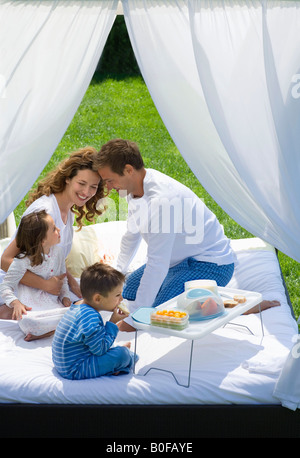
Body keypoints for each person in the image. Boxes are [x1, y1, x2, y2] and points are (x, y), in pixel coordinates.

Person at [94, 138, 280, 331]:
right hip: (176, 263)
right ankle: (196, 295)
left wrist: (136, 319)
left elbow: (157, 263)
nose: (108, 187)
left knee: (159, 312)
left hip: (210, 265)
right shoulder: (134, 188)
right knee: (128, 289)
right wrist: (118, 273)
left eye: (109, 180)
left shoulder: (163, 201)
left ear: (128, 170)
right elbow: (132, 234)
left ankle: (239, 306)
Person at [0, 146, 106, 320]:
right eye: (81, 183)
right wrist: (46, 285)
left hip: (45, 285)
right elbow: (5, 260)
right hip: (17, 284)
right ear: (67, 179)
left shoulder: (68, 210)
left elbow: (55, 261)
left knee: (92, 302)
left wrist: (74, 286)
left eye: (93, 187)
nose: (87, 192)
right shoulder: (44, 212)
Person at [52, 263, 136, 380]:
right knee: (123, 355)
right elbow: (100, 349)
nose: (121, 299)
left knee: (113, 349)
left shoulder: (78, 306)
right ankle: (118, 365)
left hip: (63, 364)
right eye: (117, 295)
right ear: (97, 299)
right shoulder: (90, 317)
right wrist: (112, 323)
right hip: (76, 369)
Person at [0, 210, 71, 341]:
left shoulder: (59, 252)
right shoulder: (22, 261)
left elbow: (63, 278)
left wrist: (65, 297)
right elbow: (5, 287)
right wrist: (15, 303)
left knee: (75, 313)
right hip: (33, 310)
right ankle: (47, 330)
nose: (59, 229)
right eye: (54, 229)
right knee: (29, 321)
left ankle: (48, 331)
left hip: (53, 306)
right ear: (42, 241)